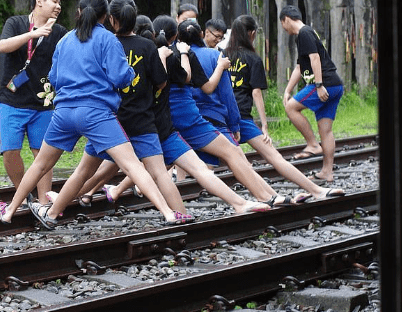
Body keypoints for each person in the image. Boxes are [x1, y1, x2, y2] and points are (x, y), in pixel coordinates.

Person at [0, 0, 191, 228]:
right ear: (106, 16)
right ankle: (168, 213)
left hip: (64, 113)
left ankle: (10, 211)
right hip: (97, 113)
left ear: (79, 12)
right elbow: (121, 77)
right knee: (132, 165)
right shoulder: (108, 40)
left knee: (40, 165)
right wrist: (127, 73)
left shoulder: (65, 39)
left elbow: (54, 78)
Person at [81, 15, 270, 215]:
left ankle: (69, 199)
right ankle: (190, 213)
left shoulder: (126, 54)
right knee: (189, 171)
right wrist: (182, 54)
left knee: (95, 170)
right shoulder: (163, 55)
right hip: (156, 130)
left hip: (135, 127)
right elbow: (185, 77)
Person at [160, 16, 292, 207]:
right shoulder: (197, 55)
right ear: (201, 34)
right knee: (230, 154)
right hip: (192, 119)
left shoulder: (158, 54)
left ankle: (136, 193)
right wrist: (234, 123)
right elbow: (209, 88)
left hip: (165, 119)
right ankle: (263, 197)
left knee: (158, 162)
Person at [222, 14, 344, 200]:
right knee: (274, 157)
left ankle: (272, 197)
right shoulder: (253, 59)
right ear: (252, 33)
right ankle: (314, 191)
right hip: (242, 118)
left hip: (223, 118)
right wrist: (264, 124)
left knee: (232, 162)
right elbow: (256, 93)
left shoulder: (223, 56)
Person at [0, 0, 67, 205]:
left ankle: (44, 204)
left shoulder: (60, 32)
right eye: (54, 1)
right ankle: (25, 195)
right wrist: (33, 34)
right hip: (12, 100)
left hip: (43, 102)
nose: (58, 7)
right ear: (39, 2)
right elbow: (3, 46)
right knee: (9, 151)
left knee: (43, 156)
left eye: (59, 4)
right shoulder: (16, 23)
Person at [279, 5, 344, 183]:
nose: (283, 29)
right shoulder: (306, 34)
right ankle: (327, 172)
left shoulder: (304, 33)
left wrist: (319, 84)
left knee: (291, 107)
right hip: (335, 85)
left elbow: (315, 58)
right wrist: (288, 89)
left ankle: (313, 145)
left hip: (326, 84)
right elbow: (300, 67)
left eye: (282, 24)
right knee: (326, 130)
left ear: (286, 19)